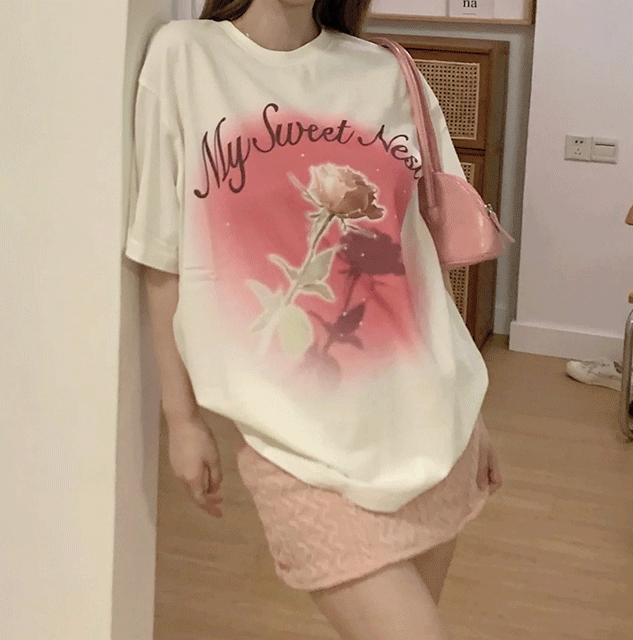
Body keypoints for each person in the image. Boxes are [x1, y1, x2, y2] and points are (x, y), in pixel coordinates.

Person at [124, 1, 503, 638]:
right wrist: (181, 417)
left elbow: (420, 260)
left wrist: (471, 405)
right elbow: (161, 255)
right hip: (292, 441)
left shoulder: (386, 73)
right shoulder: (185, 58)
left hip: (428, 422)